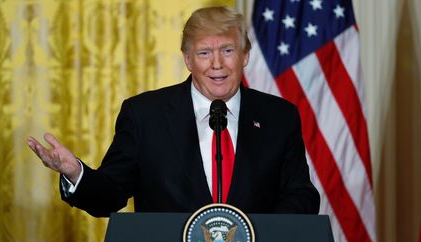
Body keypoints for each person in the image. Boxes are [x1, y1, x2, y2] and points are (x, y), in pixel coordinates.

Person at [27, 6, 319, 217]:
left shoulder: (279, 116)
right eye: (204, 53)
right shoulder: (144, 115)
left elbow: (301, 196)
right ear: (188, 59)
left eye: (228, 51)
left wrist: (259, 233)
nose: (217, 64)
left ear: (245, 55)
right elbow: (111, 194)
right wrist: (76, 173)